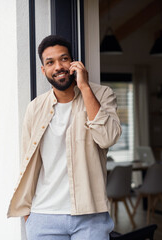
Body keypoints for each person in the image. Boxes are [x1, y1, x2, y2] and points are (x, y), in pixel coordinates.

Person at [7, 35, 122, 239]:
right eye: (50, 62)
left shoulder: (102, 95)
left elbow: (108, 138)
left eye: (64, 59)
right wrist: (29, 215)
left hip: (90, 217)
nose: (58, 66)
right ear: (44, 70)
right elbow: (28, 161)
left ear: (74, 62)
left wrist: (85, 87)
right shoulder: (35, 108)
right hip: (44, 216)